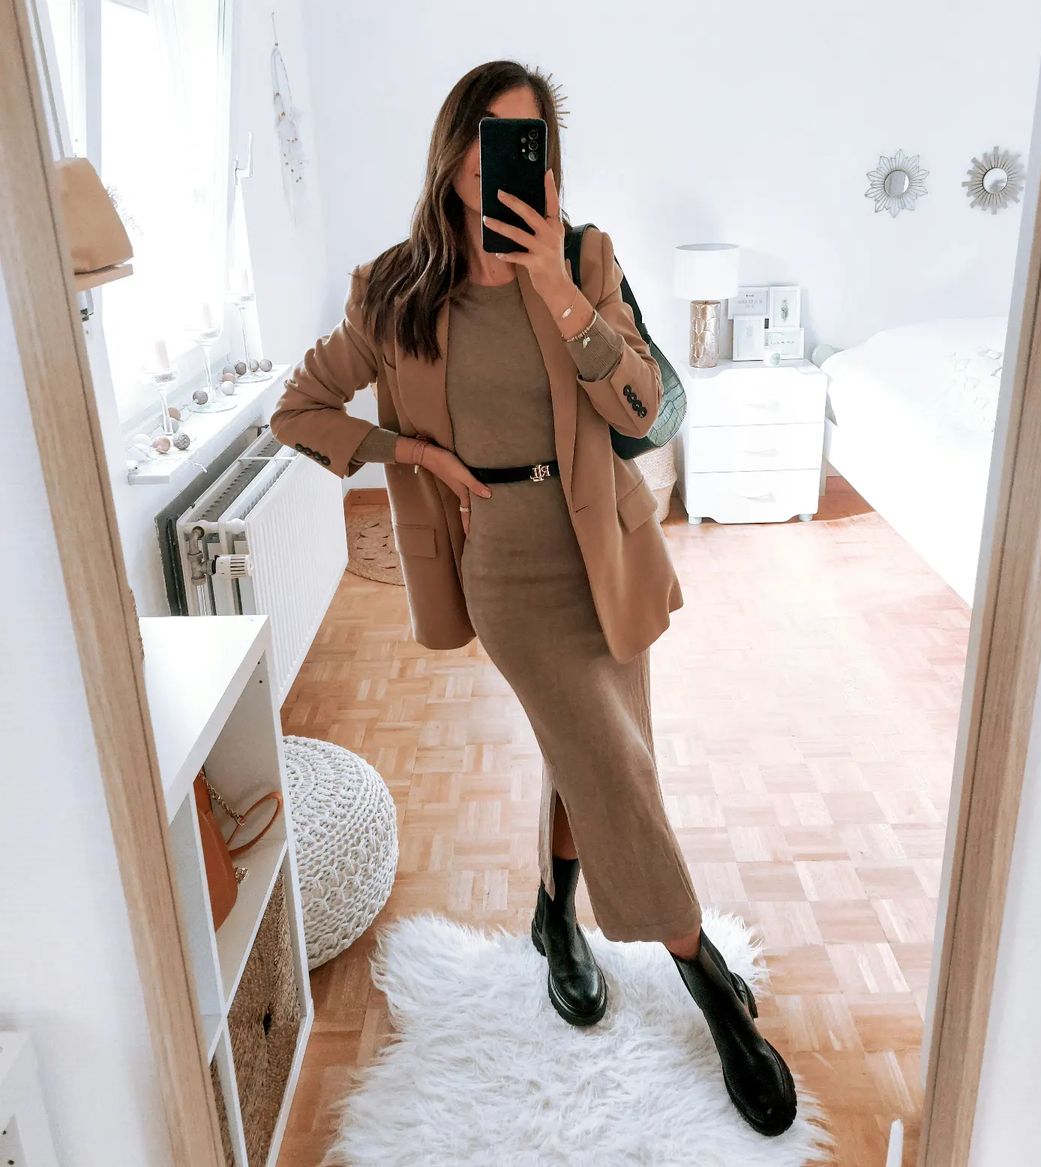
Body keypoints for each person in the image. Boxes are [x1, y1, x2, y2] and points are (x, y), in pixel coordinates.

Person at [269, 59, 796, 1138]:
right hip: (505, 561)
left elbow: (643, 405)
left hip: (603, 541)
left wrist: (556, 283)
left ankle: (556, 917)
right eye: (484, 136)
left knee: (598, 748)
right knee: (612, 762)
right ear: (450, 148)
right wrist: (411, 450)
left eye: (525, 141)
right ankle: (705, 979)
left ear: (547, 162)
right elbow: (299, 409)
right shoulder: (393, 290)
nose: (500, 159)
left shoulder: (586, 258)